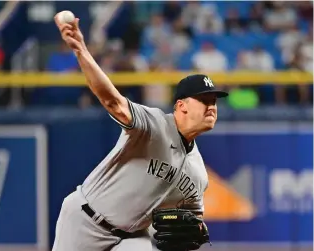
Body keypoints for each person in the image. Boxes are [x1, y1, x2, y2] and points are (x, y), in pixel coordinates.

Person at [52, 12, 228, 251]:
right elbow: (113, 102)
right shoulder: (153, 125)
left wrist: (198, 229)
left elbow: (192, 223)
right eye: (203, 100)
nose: (211, 106)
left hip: (132, 238)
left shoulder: (198, 174)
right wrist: (82, 50)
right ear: (181, 106)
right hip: (86, 220)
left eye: (214, 101)